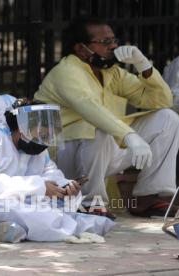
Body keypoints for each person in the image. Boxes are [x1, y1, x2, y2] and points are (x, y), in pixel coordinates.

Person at [34, 17, 179, 218]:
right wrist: (130, 136)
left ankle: (147, 197)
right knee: (99, 126)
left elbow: (162, 100)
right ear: (81, 49)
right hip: (60, 159)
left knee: (167, 118)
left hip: (99, 152)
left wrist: (143, 65)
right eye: (105, 42)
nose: (113, 46)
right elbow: (90, 109)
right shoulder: (66, 72)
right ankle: (90, 203)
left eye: (114, 40)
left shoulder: (112, 73)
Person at [0, 94, 115, 242]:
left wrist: (64, 187)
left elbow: (49, 172)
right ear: (21, 128)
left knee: (47, 205)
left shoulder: (33, 145)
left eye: (47, 134)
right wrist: (41, 187)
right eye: (40, 133)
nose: (44, 139)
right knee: (26, 211)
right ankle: (78, 228)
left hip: (10, 198)